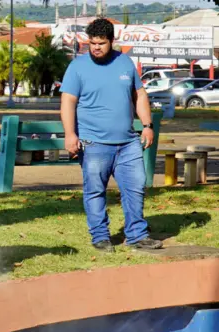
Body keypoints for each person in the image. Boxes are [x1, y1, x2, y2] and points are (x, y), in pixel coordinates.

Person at [60, 19, 163, 253]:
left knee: (136, 188)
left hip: (128, 143)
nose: (96, 47)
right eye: (92, 43)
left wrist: (147, 125)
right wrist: (70, 134)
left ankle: (137, 235)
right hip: (93, 143)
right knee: (95, 191)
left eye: (101, 43)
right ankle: (100, 236)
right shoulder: (77, 67)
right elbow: (68, 101)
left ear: (112, 41)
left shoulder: (125, 63)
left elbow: (140, 95)